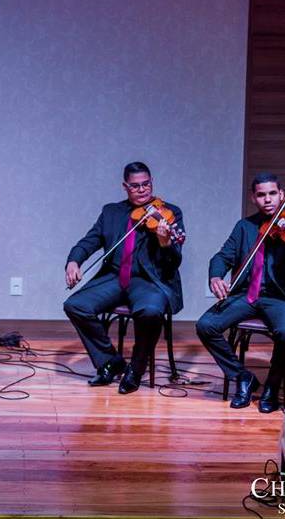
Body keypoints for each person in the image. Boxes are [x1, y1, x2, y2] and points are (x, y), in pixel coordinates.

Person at [63, 162, 185, 394]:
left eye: (146, 184)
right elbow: (90, 240)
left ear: (152, 183)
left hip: (150, 280)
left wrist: (165, 242)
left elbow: (174, 260)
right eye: (135, 186)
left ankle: (136, 369)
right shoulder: (111, 212)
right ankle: (110, 360)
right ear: (125, 187)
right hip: (115, 277)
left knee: (150, 311)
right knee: (75, 305)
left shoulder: (169, 213)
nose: (142, 190)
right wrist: (74, 260)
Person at [196, 172, 285, 413]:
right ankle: (242, 376)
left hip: (280, 297)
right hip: (246, 294)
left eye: (272, 194)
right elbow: (222, 256)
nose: (267, 199)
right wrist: (215, 276)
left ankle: (272, 386)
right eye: (261, 195)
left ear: (281, 195)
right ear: (253, 198)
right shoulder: (244, 227)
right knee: (206, 325)